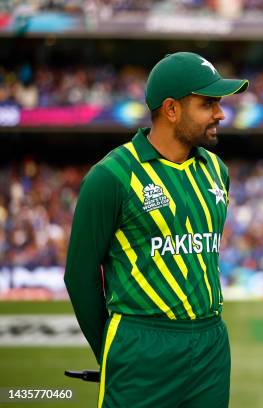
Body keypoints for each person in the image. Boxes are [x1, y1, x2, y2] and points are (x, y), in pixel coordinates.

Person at [64, 51, 248, 408]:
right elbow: (79, 274)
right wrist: (111, 352)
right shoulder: (110, 177)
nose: (220, 113)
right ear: (171, 109)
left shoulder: (216, 170)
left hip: (210, 345)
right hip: (141, 343)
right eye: (208, 103)